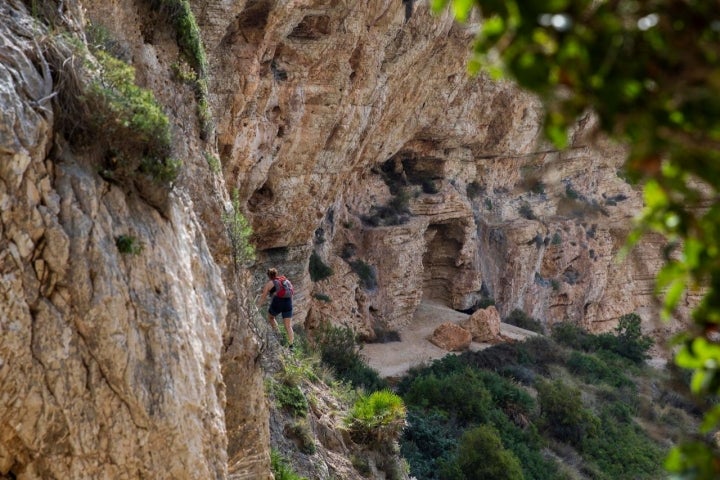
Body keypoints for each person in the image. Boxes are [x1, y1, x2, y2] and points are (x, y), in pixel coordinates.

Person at [258, 268, 294, 348]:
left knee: (271, 317)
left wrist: (258, 306)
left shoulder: (270, 283)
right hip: (288, 303)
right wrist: (290, 305)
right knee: (288, 326)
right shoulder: (285, 281)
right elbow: (291, 294)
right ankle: (291, 345)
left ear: (269, 276)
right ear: (276, 274)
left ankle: (278, 335)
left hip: (278, 303)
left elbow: (263, 297)